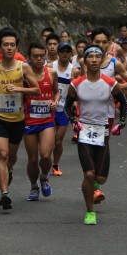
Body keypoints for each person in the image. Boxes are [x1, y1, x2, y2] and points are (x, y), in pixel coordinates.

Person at [64, 45, 127, 225]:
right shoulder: (76, 84)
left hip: (102, 132)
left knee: (100, 178)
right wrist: (73, 121)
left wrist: (121, 123)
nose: (93, 59)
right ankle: (90, 211)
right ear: (84, 60)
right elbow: (67, 106)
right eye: (90, 56)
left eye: (97, 56)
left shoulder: (110, 83)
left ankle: (94, 185)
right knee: (89, 174)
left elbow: (123, 102)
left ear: (101, 60)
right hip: (84, 131)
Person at [0, 28, 41, 210]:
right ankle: (4, 193)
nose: (9, 48)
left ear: (16, 47)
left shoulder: (23, 67)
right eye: (5, 45)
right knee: (2, 154)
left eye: (12, 45)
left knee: (11, 157)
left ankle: (10, 169)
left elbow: (36, 90)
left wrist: (19, 89)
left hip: (18, 119)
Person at [23, 42, 59, 201]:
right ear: (29, 58)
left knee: (45, 155)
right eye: (35, 56)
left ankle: (44, 177)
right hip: (29, 121)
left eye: (41, 56)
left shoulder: (51, 73)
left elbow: (56, 92)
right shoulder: (23, 75)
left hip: (47, 120)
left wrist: (55, 102)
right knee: (32, 159)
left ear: (45, 56)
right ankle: (34, 186)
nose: (39, 59)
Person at [52, 41, 80, 176]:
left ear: (70, 54)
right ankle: (45, 159)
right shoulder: (50, 67)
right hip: (50, 106)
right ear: (58, 52)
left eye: (67, 51)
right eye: (62, 51)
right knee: (49, 140)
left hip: (64, 108)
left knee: (58, 140)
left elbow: (78, 90)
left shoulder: (74, 70)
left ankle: (55, 163)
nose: (65, 53)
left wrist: (75, 103)